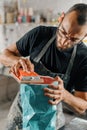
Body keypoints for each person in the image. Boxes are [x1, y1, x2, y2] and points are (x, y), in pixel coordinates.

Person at [0, 3, 87, 130]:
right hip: (21, 112)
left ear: (84, 36)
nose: (64, 41)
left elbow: (82, 106)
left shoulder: (83, 58)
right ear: (61, 18)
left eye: (73, 39)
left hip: (51, 120)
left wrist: (64, 95)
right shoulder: (39, 34)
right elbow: (4, 55)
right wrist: (16, 62)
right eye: (63, 31)